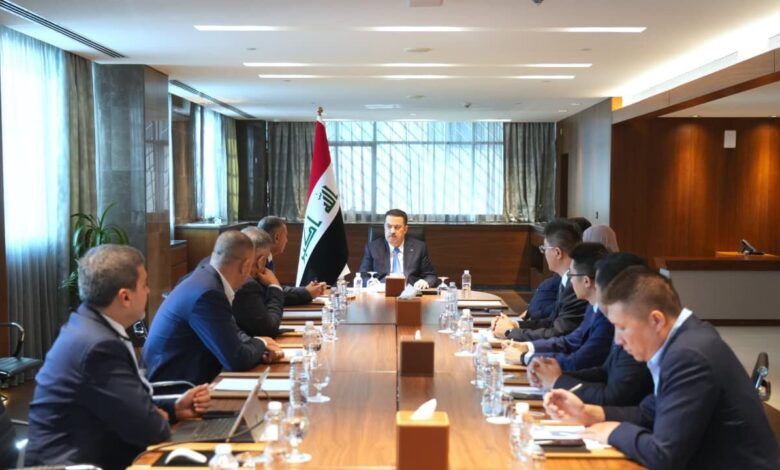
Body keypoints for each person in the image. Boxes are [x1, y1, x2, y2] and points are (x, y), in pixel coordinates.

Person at [544, 268, 780, 469]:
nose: (617, 340)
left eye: (622, 327)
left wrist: (614, 431)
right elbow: (651, 412)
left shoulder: (689, 355)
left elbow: (664, 456)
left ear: (656, 320)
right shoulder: (686, 338)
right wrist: (589, 413)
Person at [25, 245, 211, 469]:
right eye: (144, 284)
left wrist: (173, 408)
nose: (148, 291)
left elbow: (123, 403)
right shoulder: (98, 346)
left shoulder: (89, 325)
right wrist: (155, 418)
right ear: (125, 297)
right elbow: (151, 430)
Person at [143, 231, 284, 385]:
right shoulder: (209, 294)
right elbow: (237, 359)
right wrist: (262, 343)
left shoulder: (206, 279)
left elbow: (230, 333)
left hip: (188, 379)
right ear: (245, 267)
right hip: (175, 389)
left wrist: (255, 345)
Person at [528, 252, 653, 406]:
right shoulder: (614, 319)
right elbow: (604, 372)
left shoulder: (635, 331)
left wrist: (558, 380)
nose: (596, 295)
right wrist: (557, 375)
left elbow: (613, 397)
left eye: (598, 288)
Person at [504, 242, 613, 371]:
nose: (570, 280)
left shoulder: (606, 317)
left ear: (586, 281)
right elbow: (570, 341)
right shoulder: (592, 307)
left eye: (571, 275)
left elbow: (579, 360)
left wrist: (525, 357)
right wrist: (527, 347)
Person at [492, 219, 588, 340]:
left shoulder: (576, 286)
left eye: (544, 249)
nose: (543, 253)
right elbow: (551, 321)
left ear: (557, 253)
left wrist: (509, 332)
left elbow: (558, 333)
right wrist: (516, 324)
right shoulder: (565, 280)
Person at [358, 208, 437, 289]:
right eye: (389, 226)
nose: (392, 231)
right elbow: (363, 276)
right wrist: (372, 284)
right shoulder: (373, 248)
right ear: (384, 227)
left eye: (397, 227)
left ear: (405, 229)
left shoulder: (419, 247)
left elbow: (430, 276)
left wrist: (425, 282)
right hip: (381, 292)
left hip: (410, 292)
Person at [257, 216, 326, 305]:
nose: (287, 240)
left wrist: (306, 290)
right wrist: (307, 293)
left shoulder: (268, 258)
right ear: (276, 237)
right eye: (286, 236)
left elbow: (276, 287)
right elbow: (270, 294)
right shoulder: (260, 262)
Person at [232, 227, 286, 337]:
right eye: (266, 260)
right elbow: (269, 329)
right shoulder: (247, 285)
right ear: (261, 261)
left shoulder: (232, 274)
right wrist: (275, 286)